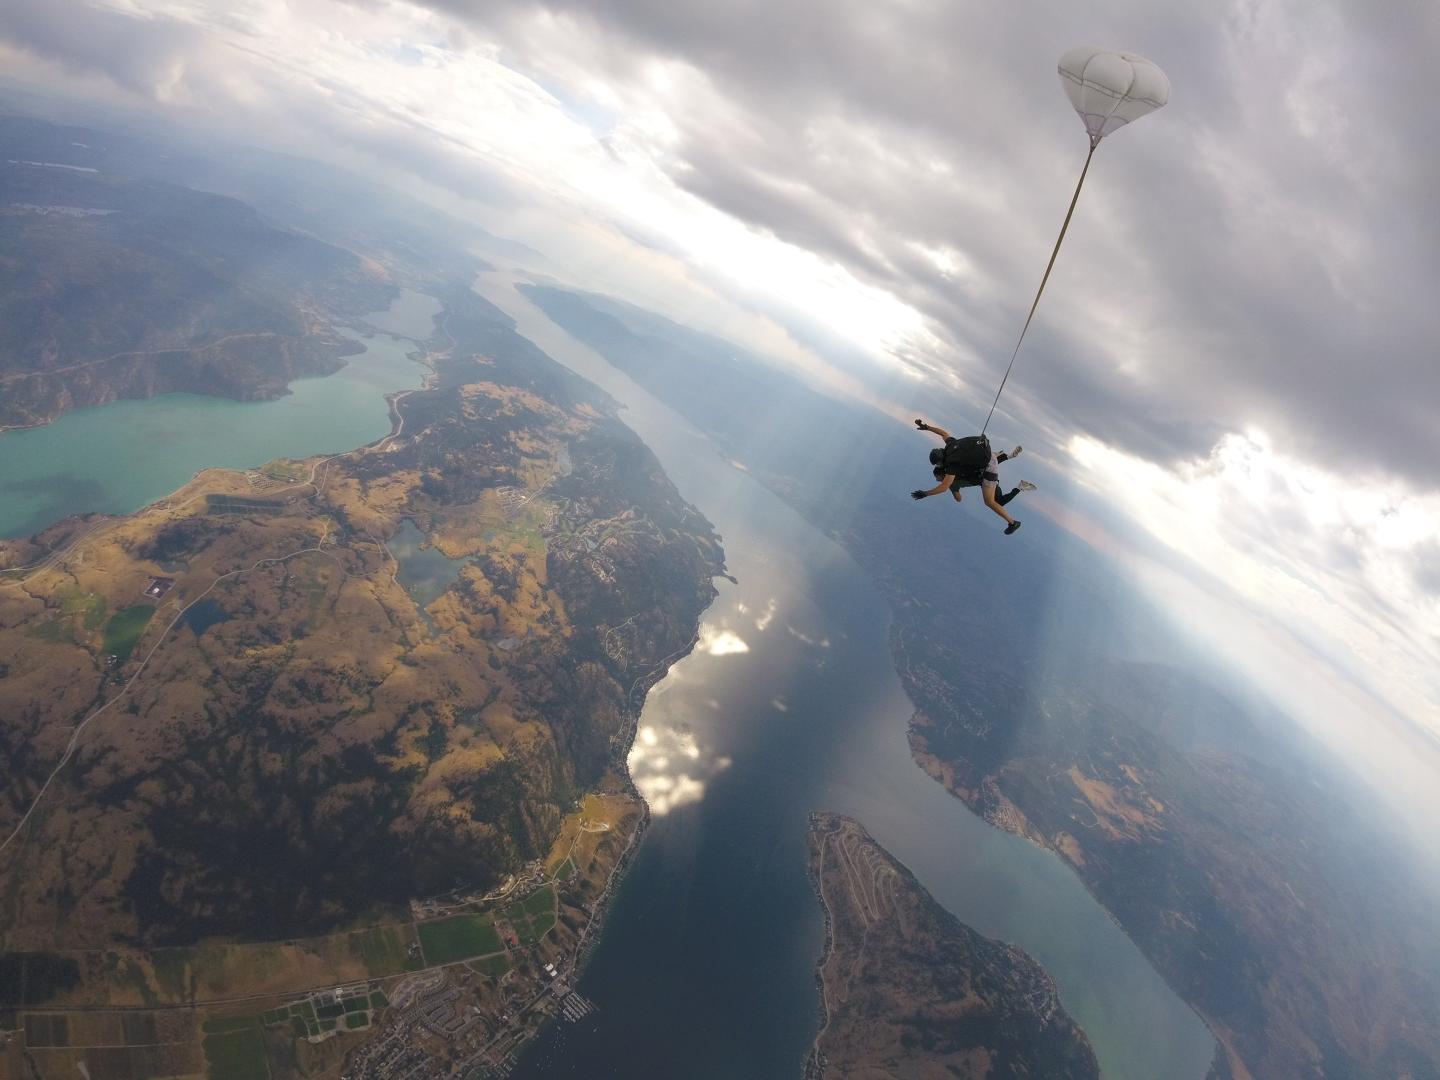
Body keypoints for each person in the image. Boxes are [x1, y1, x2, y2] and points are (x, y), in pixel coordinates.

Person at [909, 419, 1031, 534]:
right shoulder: (950, 445)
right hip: (989, 452)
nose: (939, 465)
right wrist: (927, 427)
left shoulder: (952, 465)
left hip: (989, 466)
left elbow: (945, 487)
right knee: (981, 468)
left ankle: (1013, 523)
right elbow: (943, 433)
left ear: (940, 460)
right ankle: (1004, 456)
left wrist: (925, 493)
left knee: (989, 502)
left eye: (938, 463)